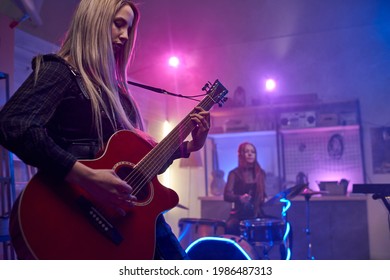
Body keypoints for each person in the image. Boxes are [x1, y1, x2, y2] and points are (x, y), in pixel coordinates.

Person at [0, 0, 210, 260]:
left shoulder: (118, 95)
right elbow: (14, 124)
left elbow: (137, 171)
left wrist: (188, 147)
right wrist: (87, 177)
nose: (124, 35)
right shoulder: (60, 71)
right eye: (118, 24)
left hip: (136, 223)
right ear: (93, 22)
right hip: (80, 217)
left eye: (129, 29)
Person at [223, 142, 267, 235]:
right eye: (247, 151)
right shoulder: (234, 173)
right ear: (241, 154)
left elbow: (263, 194)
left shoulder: (261, 173)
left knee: (285, 226)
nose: (250, 154)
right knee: (230, 226)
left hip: (257, 214)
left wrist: (264, 198)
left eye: (253, 152)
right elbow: (227, 195)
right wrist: (239, 198)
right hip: (239, 215)